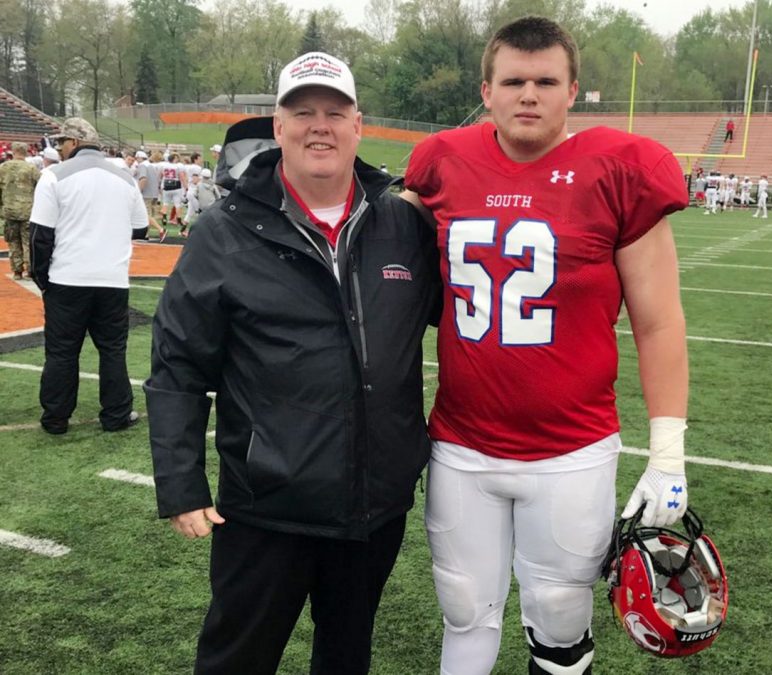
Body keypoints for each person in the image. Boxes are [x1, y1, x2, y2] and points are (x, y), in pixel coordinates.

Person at [401, 17, 690, 675]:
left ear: (572, 90)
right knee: (465, 610)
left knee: (560, 619)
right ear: (487, 89)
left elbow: (659, 323)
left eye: (544, 81)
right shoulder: (441, 161)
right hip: (461, 447)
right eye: (513, 81)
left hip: (571, 453)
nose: (528, 94)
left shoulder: (619, 168)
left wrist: (668, 453)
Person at [144, 51, 440, 675]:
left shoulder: (401, 224)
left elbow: (463, 323)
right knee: (236, 659)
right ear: (277, 127)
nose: (319, 126)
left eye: (335, 112)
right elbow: (178, 365)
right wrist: (179, 479)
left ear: (359, 125)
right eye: (302, 112)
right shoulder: (224, 232)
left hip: (373, 505)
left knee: (346, 657)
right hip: (265, 506)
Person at [29, 117, 148, 434]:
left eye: (61, 143)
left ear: (73, 143)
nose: (59, 148)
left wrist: (42, 279)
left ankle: (56, 418)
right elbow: (141, 226)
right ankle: (116, 414)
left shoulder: (53, 175)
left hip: (67, 277)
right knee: (112, 350)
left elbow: (40, 235)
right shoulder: (123, 176)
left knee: (62, 351)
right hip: (112, 278)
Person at [0, 142, 41, 280]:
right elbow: (41, 187)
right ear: (26, 152)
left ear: (13, 151)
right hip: (28, 211)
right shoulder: (31, 169)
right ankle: (30, 270)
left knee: (13, 241)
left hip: (9, 210)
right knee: (28, 242)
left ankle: (17, 271)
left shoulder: (3, 167)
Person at [134, 149, 167, 241]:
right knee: (149, 215)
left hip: (146, 194)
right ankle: (146, 235)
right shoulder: (150, 166)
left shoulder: (143, 165)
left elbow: (143, 179)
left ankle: (161, 229)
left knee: (145, 215)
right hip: (154, 193)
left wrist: (138, 191)